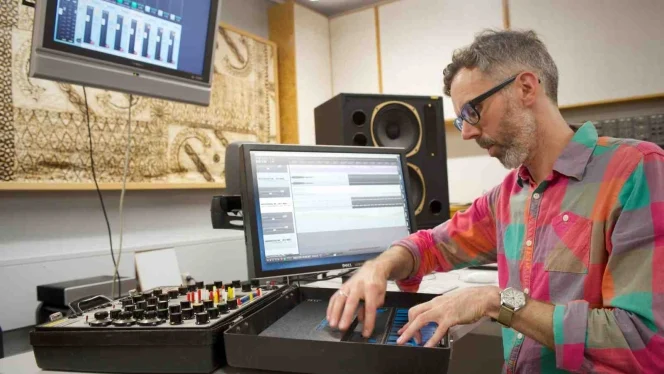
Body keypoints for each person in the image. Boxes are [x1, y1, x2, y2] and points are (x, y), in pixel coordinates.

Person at [326, 29, 664, 373]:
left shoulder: (635, 170)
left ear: (526, 88)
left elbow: (643, 342)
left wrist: (496, 301)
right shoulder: (509, 194)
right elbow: (430, 245)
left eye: (473, 111)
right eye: (461, 119)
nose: (467, 132)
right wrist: (377, 267)